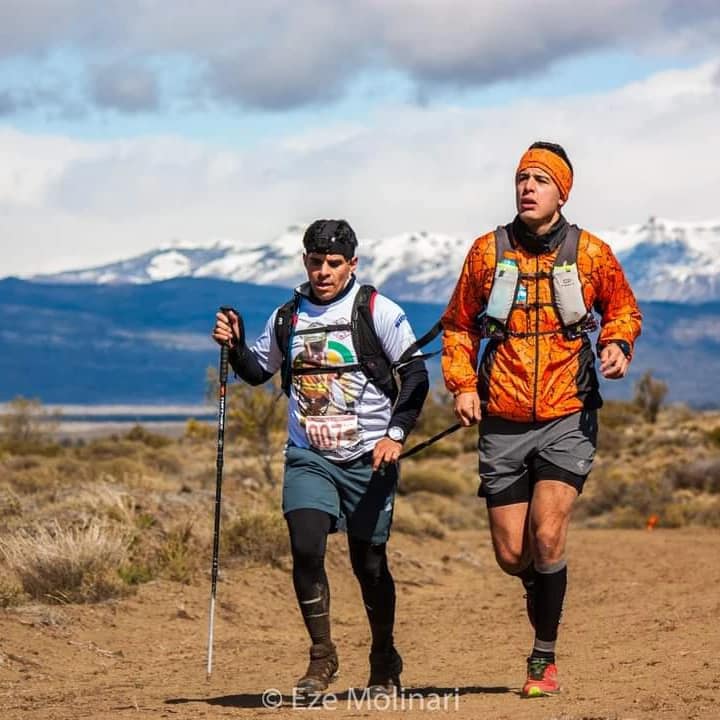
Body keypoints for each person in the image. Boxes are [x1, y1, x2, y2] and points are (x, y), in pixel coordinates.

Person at [441, 141, 642, 698]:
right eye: (522, 178)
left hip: (567, 415)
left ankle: (543, 658)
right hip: (502, 417)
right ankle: (540, 585)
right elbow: (459, 325)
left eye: (540, 180)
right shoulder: (486, 253)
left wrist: (618, 344)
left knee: (548, 533)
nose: (527, 187)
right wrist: (463, 385)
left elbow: (622, 308)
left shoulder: (591, 253)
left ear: (562, 193)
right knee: (513, 555)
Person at [212, 219, 429, 696]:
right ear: (305, 261)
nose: (324, 272)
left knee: (369, 565)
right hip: (309, 455)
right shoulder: (287, 316)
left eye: (334, 263)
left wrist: (395, 435)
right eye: (316, 262)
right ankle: (321, 656)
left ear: (352, 264)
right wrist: (235, 344)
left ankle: (383, 657)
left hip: (369, 458)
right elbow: (257, 371)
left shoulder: (378, 310)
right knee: (306, 549)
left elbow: (415, 376)